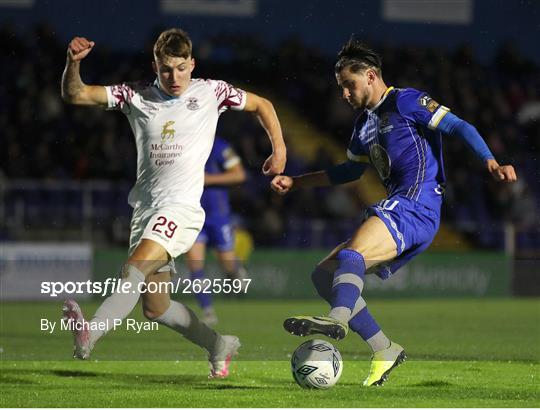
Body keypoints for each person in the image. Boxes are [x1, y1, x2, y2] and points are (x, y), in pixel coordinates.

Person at [271, 38, 516, 387]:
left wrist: (490, 161)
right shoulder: (363, 126)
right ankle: (383, 348)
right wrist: (296, 183)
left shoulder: (406, 100)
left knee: (353, 254)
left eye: (348, 85)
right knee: (323, 275)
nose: (344, 94)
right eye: (340, 87)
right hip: (401, 207)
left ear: (370, 76)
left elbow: (460, 126)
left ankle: (337, 319)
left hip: (417, 204)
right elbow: (349, 173)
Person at [60, 29, 286, 378]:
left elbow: (263, 105)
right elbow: (75, 94)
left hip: (180, 210)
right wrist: (72, 64)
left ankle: (91, 333)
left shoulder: (212, 91)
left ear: (192, 64)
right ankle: (218, 344)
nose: (175, 77)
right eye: (167, 69)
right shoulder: (134, 95)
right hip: (145, 211)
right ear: (155, 65)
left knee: (134, 268)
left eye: (182, 68)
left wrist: (279, 149)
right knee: (156, 308)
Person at [184, 136, 249, 326]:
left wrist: (207, 179)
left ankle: (236, 268)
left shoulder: (219, 146)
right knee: (195, 264)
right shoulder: (183, 143)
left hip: (218, 215)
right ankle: (207, 311)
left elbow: (239, 175)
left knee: (227, 263)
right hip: (192, 213)